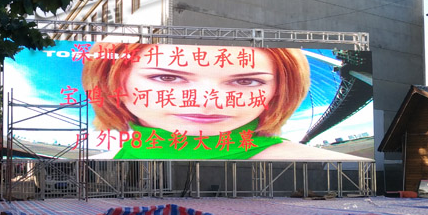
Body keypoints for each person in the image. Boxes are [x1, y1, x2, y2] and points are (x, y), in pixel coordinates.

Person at [81, 43, 367, 161]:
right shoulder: (94, 168)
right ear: (112, 81)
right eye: (167, 78)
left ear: (280, 90)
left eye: (245, 82)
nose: (207, 102)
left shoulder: (330, 164)